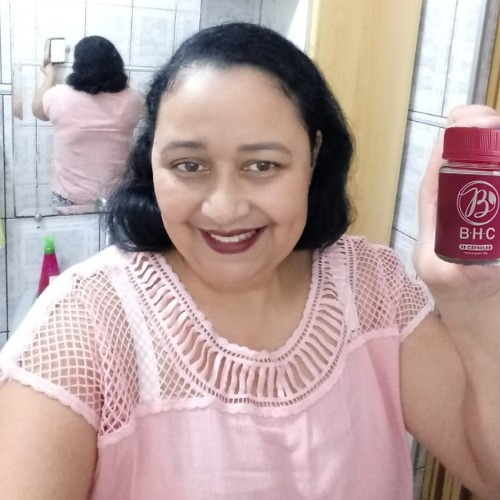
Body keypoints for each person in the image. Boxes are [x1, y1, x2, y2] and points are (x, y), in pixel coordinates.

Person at [1, 22, 500, 500]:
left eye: (262, 165)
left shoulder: (373, 285)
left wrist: (473, 298)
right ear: (152, 159)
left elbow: (488, 471)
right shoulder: (84, 326)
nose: (224, 209)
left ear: (314, 153)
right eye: (188, 165)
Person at [32, 35, 144, 212]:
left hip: (68, 198)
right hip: (115, 199)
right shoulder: (133, 100)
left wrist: (50, 74)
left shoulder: (59, 97)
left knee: (65, 231)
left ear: (78, 65)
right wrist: (117, 78)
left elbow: (38, 110)